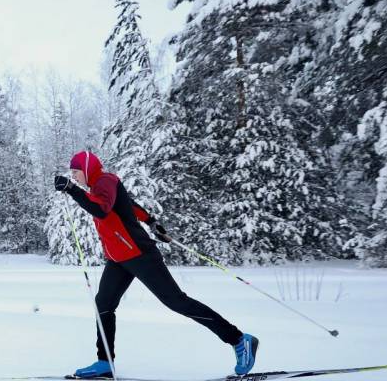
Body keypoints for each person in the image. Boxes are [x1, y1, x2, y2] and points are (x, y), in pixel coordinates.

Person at [54, 151, 258, 379]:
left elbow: (101, 209)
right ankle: (105, 362)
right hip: (118, 258)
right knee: (103, 303)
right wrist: (151, 221)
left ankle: (239, 340)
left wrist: (72, 190)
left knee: (177, 302)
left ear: (87, 168)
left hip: (140, 254)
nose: (74, 176)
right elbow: (127, 204)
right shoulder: (98, 187)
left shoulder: (105, 181)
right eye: (72, 173)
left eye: (76, 171)